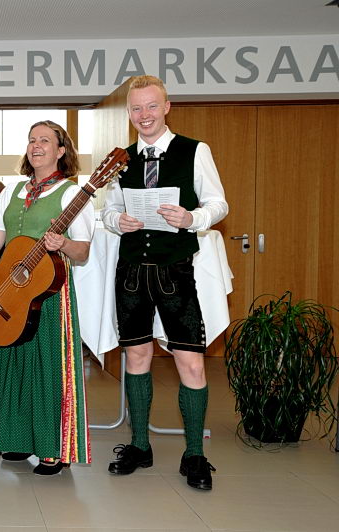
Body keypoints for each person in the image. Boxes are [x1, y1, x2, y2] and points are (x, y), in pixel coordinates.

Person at [101, 75, 228, 491]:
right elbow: (108, 210)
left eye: (151, 106)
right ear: (129, 112)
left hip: (176, 271)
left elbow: (219, 203)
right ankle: (140, 445)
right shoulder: (121, 158)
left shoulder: (195, 150)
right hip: (132, 272)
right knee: (136, 357)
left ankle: (195, 454)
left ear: (167, 107)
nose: (144, 115)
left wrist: (192, 218)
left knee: (190, 361)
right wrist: (117, 221)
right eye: (136, 108)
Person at [0, 120, 94, 475]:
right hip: (7, 289)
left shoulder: (72, 194)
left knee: (46, 369)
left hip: (48, 295)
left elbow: (82, 251)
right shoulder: (12, 190)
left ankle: (52, 448)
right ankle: (16, 439)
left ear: (61, 150)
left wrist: (63, 243)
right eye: (32, 140)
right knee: (8, 364)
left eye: (45, 141)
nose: (36, 146)